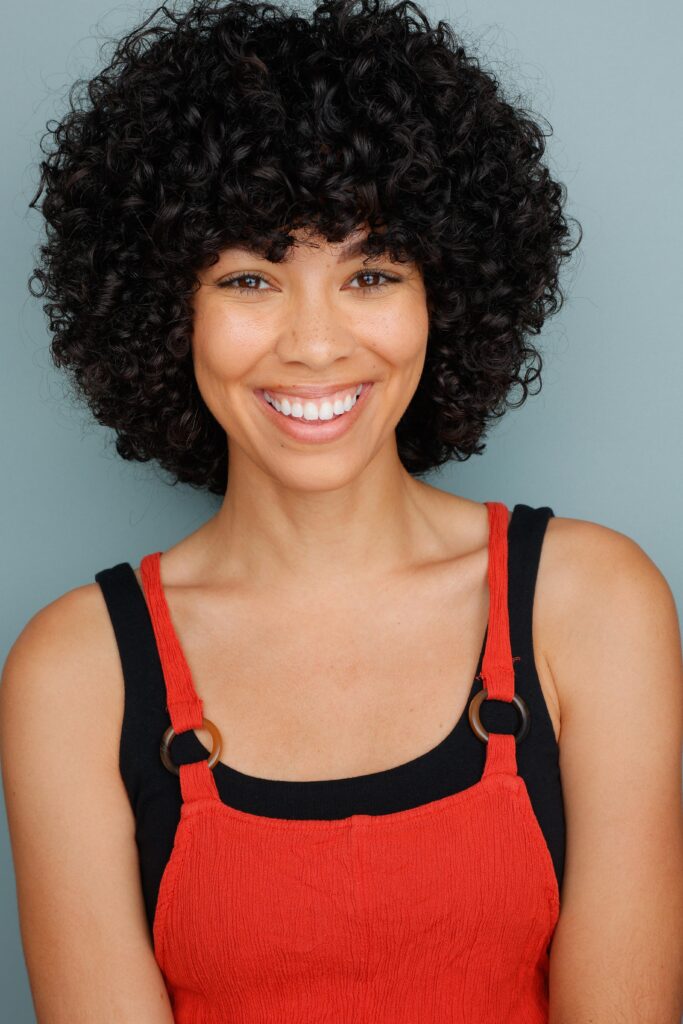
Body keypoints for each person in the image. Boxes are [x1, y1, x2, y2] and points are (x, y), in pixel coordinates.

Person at [2, 0, 682, 1020]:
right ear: (164, 311)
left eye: (369, 273)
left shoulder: (589, 606)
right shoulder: (75, 675)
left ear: (445, 297)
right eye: (249, 278)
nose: (315, 345)